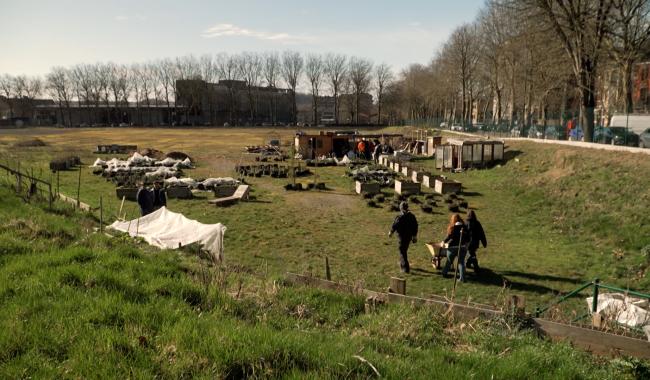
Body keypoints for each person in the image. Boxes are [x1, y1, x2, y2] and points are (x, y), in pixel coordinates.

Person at [388, 202, 418, 273]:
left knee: (402, 251)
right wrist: (414, 236)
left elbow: (395, 225)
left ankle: (405, 268)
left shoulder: (399, 217)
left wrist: (391, 232)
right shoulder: (412, 216)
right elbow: (415, 226)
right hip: (409, 237)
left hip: (401, 238)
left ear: (401, 208)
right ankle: (402, 264)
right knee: (404, 251)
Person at [441, 214, 469, 282]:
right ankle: (462, 278)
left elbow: (448, 237)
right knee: (461, 262)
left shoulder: (452, 227)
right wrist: (466, 245)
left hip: (452, 248)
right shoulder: (465, 227)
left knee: (449, 261)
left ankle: (444, 273)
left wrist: (443, 242)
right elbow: (468, 238)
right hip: (462, 247)